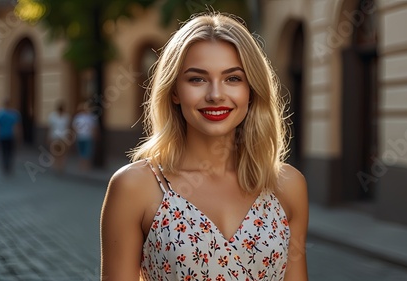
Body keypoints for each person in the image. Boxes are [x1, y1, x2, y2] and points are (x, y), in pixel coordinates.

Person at [101, 12, 309, 281]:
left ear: (251, 90)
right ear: (174, 91)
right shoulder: (135, 187)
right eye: (197, 79)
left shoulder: (287, 185)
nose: (215, 95)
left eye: (233, 78)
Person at [0, 98, 21, 175]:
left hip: (3, 135)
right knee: (10, 152)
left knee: (4, 151)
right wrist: (19, 136)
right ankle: (8, 166)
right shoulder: (14, 114)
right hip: (10, 136)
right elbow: (17, 126)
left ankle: (5, 166)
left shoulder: (0, 113)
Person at [72, 102, 97, 170]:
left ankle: (84, 166)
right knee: (84, 152)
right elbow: (75, 127)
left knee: (85, 152)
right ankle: (84, 166)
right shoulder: (85, 117)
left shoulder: (89, 117)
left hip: (85, 136)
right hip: (83, 136)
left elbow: (93, 127)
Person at [47, 101, 71, 173]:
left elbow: (68, 127)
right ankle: (55, 165)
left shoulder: (66, 117)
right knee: (55, 152)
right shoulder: (52, 116)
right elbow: (50, 127)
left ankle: (61, 165)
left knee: (62, 152)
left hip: (63, 137)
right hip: (54, 136)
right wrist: (48, 137)